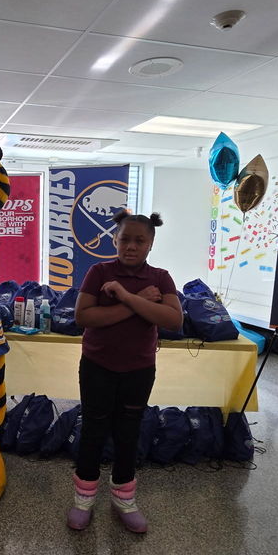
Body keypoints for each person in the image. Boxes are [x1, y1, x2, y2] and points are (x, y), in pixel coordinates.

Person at [68, 210, 183, 533]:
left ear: (151, 244)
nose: (131, 246)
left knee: (128, 434)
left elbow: (173, 320)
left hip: (139, 370)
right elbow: (84, 318)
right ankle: (83, 499)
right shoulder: (99, 271)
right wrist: (140, 304)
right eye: (125, 239)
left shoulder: (160, 278)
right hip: (97, 366)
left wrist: (126, 296)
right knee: (93, 430)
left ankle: (124, 498)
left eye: (139, 240)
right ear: (115, 240)